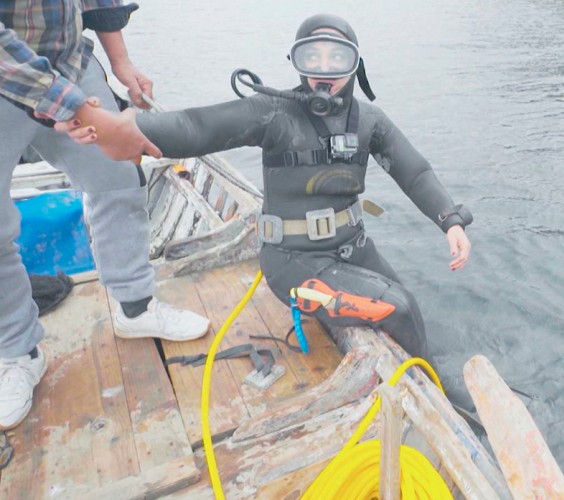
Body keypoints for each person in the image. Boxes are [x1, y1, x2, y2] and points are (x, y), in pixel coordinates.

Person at [61, 14, 474, 401]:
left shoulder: (371, 120)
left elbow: (414, 172)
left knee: (406, 302)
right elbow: (195, 127)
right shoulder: (273, 114)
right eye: (312, 57)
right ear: (296, 61)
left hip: (353, 247)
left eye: (338, 58)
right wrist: (121, 128)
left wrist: (450, 222)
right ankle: (440, 395)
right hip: (292, 264)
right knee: (397, 308)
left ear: (356, 65)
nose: (324, 71)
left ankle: (428, 377)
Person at [0, 0, 210, 431]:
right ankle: (17, 352)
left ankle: (134, 306)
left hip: (72, 66)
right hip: (5, 83)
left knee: (118, 179)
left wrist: (120, 61)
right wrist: (85, 112)